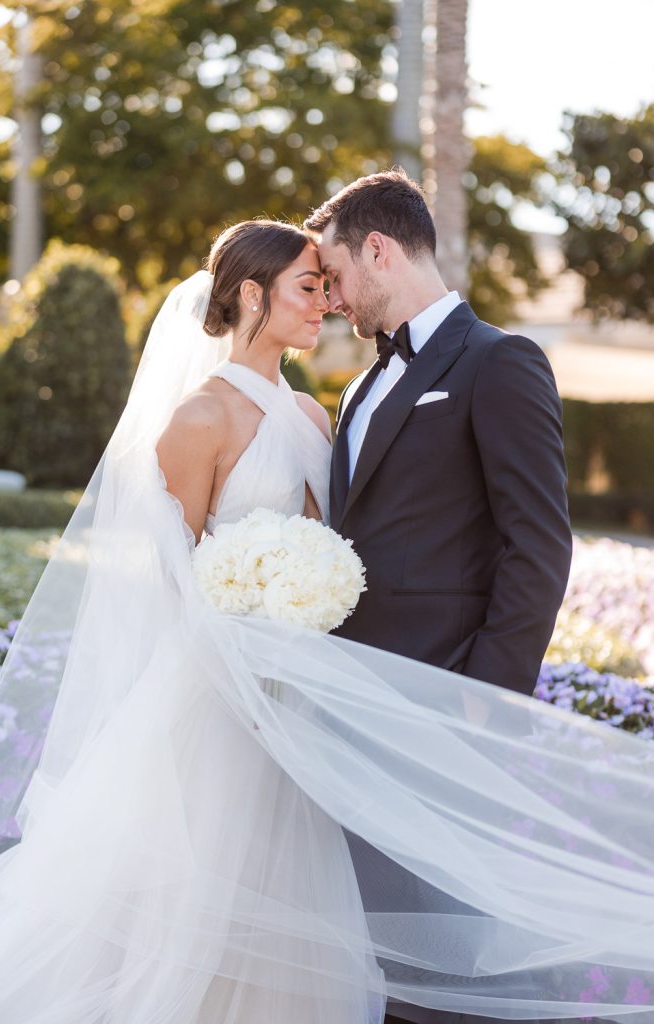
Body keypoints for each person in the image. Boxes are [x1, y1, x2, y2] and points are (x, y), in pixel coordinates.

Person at [0, 217, 652, 1024]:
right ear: (251, 295)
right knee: (209, 909)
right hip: (224, 704)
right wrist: (242, 648)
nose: (326, 303)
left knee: (310, 920)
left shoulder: (319, 412)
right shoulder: (197, 421)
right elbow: (163, 581)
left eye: (328, 284)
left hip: (322, 700)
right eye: (308, 286)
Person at [304, 168, 574, 1024]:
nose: (333, 300)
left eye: (337, 276)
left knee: (452, 956)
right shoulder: (355, 387)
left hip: (447, 707)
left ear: (377, 249)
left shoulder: (499, 361)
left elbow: (537, 543)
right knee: (379, 948)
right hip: (349, 709)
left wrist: (481, 700)